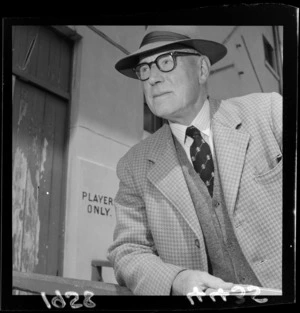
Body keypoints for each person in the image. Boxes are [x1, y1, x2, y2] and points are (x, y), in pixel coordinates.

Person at [107, 25, 282, 295]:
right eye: (144, 69)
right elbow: (127, 251)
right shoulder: (133, 165)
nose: (152, 78)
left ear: (202, 69)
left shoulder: (269, 113)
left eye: (165, 62)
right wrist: (176, 280)